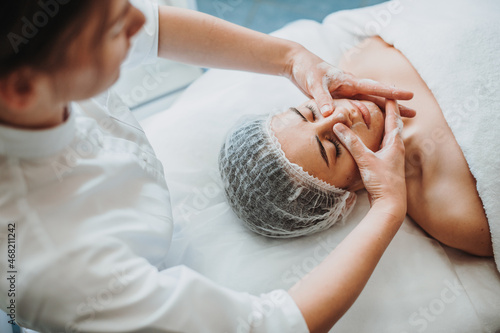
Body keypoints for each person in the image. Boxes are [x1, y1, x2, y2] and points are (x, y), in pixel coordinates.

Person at [0, 1, 414, 332]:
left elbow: (149, 29)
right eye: (112, 28)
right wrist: (388, 206)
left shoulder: (40, 51)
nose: (140, 17)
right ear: (22, 90)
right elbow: (271, 327)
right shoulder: (59, 268)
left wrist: (291, 58)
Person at [219, 36, 494, 259]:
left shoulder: (360, 56)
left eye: (311, 113)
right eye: (334, 147)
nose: (339, 116)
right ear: (345, 198)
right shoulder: (456, 213)